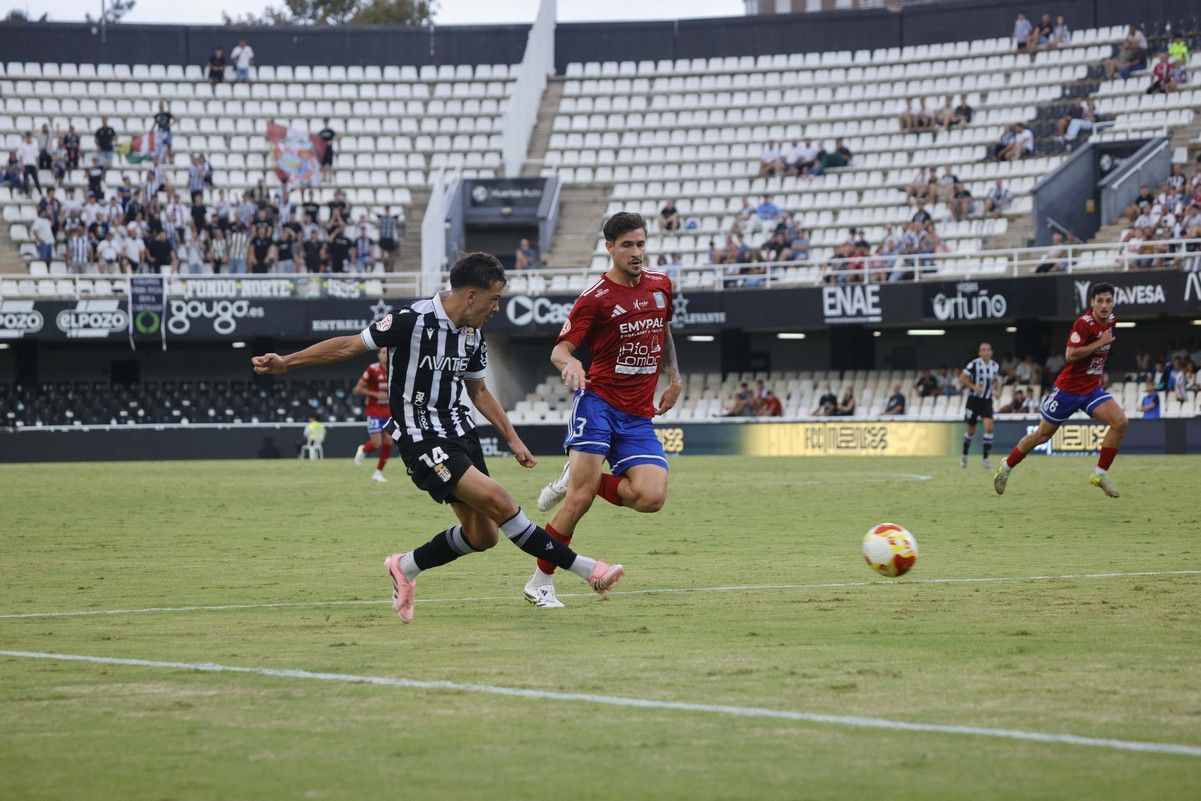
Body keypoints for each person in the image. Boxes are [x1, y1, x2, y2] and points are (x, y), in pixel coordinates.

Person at [251, 252, 627, 623]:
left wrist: (512, 438)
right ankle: (588, 570)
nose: (497, 308)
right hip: (421, 438)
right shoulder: (411, 320)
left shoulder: (473, 334)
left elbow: (478, 390)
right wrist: (288, 361)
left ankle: (405, 566)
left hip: (460, 432)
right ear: (471, 295)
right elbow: (350, 345)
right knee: (500, 501)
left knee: (483, 536)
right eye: (494, 298)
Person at [525, 211, 679, 609]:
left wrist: (674, 377)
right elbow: (560, 350)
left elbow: (663, 330)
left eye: (640, 244)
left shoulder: (662, 286)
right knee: (580, 500)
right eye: (627, 245)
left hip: (638, 413)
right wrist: (572, 364)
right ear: (609, 248)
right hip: (598, 404)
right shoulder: (594, 299)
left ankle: (579, 477)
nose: (636, 252)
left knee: (651, 496)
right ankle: (540, 582)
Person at [994, 283, 1126, 498]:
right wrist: (1099, 343)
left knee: (1120, 422)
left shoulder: (1111, 320)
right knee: (1042, 436)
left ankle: (1099, 475)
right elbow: (1070, 355)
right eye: (1100, 301)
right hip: (1068, 391)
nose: (1104, 305)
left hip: (1091, 389)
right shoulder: (1083, 324)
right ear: (1092, 302)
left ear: (1113, 303)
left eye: (1108, 301)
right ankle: (1006, 466)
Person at [353, 348, 394, 482]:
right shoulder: (372, 369)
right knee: (377, 444)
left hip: (389, 412)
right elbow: (358, 389)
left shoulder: (395, 368)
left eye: (387, 352)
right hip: (374, 411)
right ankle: (363, 449)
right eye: (383, 352)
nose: (385, 355)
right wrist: (376, 394)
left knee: (389, 441)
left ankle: (378, 472)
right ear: (378, 355)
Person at [959, 342, 1001, 469]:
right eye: (983, 350)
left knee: (989, 427)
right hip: (973, 401)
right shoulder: (974, 364)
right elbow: (962, 378)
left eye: (988, 349)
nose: (986, 352)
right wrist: (973, 386)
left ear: (991, 352)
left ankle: (985, 459)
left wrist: (997, 390)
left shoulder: (995, 366)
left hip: (987, 401)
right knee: (971, 429)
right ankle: (964, 455)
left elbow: (996, 380)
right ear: (979, 352)